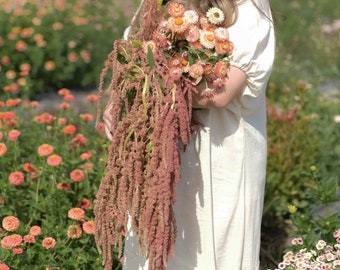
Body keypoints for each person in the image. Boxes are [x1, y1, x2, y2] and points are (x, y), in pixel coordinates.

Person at [102, 0, 275, 269]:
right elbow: (132, 55)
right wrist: (121, 96)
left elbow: (219, 94)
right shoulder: (161, 4)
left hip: (220, 155)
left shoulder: (249, 11)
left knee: (211, 249)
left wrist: (147, 86)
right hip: (160, 151)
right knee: (155, 240)